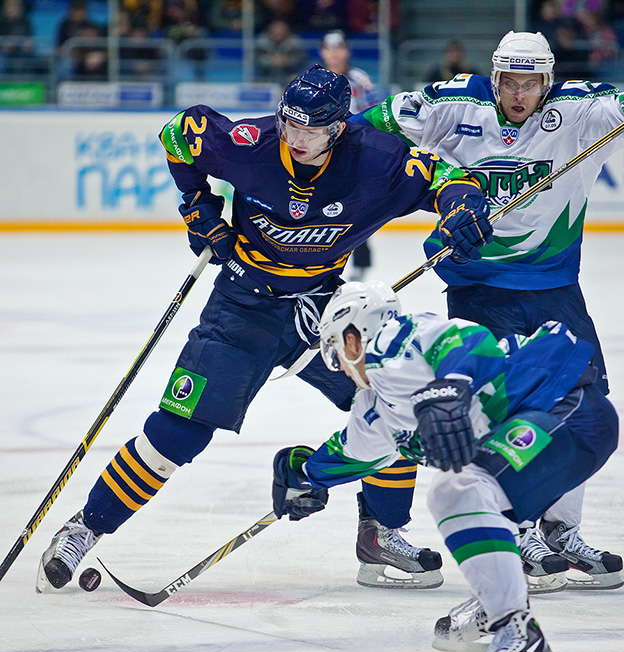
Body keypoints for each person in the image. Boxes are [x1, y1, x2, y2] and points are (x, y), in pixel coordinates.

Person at [35, 65, 494, 594]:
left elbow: (451, 178)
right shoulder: (250, 143)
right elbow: (178, 134)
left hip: (323, 310)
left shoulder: (377, 160)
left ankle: (381, 533)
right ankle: (84, 528)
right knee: (180, 431)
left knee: (391, 404)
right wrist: (197, 206)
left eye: (310, 130)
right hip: (240, 307)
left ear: (338, 128)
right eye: (289, 124)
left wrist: (463, 209)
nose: (295, 138)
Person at [350, 31, 624, 592]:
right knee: (501, 409)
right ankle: (514, 529)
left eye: (530, 84)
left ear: (547, 81)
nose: (518, 94)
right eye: (509, 82)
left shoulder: (579, 110)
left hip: (555, 287)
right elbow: (366, 129)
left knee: (583, 403)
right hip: (478, 285)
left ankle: (561, 531)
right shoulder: (452, 105)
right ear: (494, 79)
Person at [270, 280, 619, 652]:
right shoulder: (374, 405)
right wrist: (305, 476)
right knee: (480, 500)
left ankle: (521, 640)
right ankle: (496, 602)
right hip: (548, 441)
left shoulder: (398, 339)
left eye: (334, 350)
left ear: (352, 337)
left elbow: (466, 340)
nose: (340, 368)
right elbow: (354, 452)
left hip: (566, 410)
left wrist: (446, 390)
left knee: (456, 491)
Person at [319, 29, 386, 280]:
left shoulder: (360, 79)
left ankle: (360, 262)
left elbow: (377, 113)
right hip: (320, 152)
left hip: (354, 152)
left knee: (355, 208)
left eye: (339, 48)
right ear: (322, 52)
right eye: (330, 48)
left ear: (347, 51)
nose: (335, 54)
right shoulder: (314, 79)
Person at [254, 19, 308, 87]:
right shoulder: (261, 42)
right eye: (276, 30)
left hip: (289, 75)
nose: (278, 32)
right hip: (266, 76)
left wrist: (286, 60)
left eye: (281, 30)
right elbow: (256, 59)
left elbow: (301, 58)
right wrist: (270, 60)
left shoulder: (295, 42)